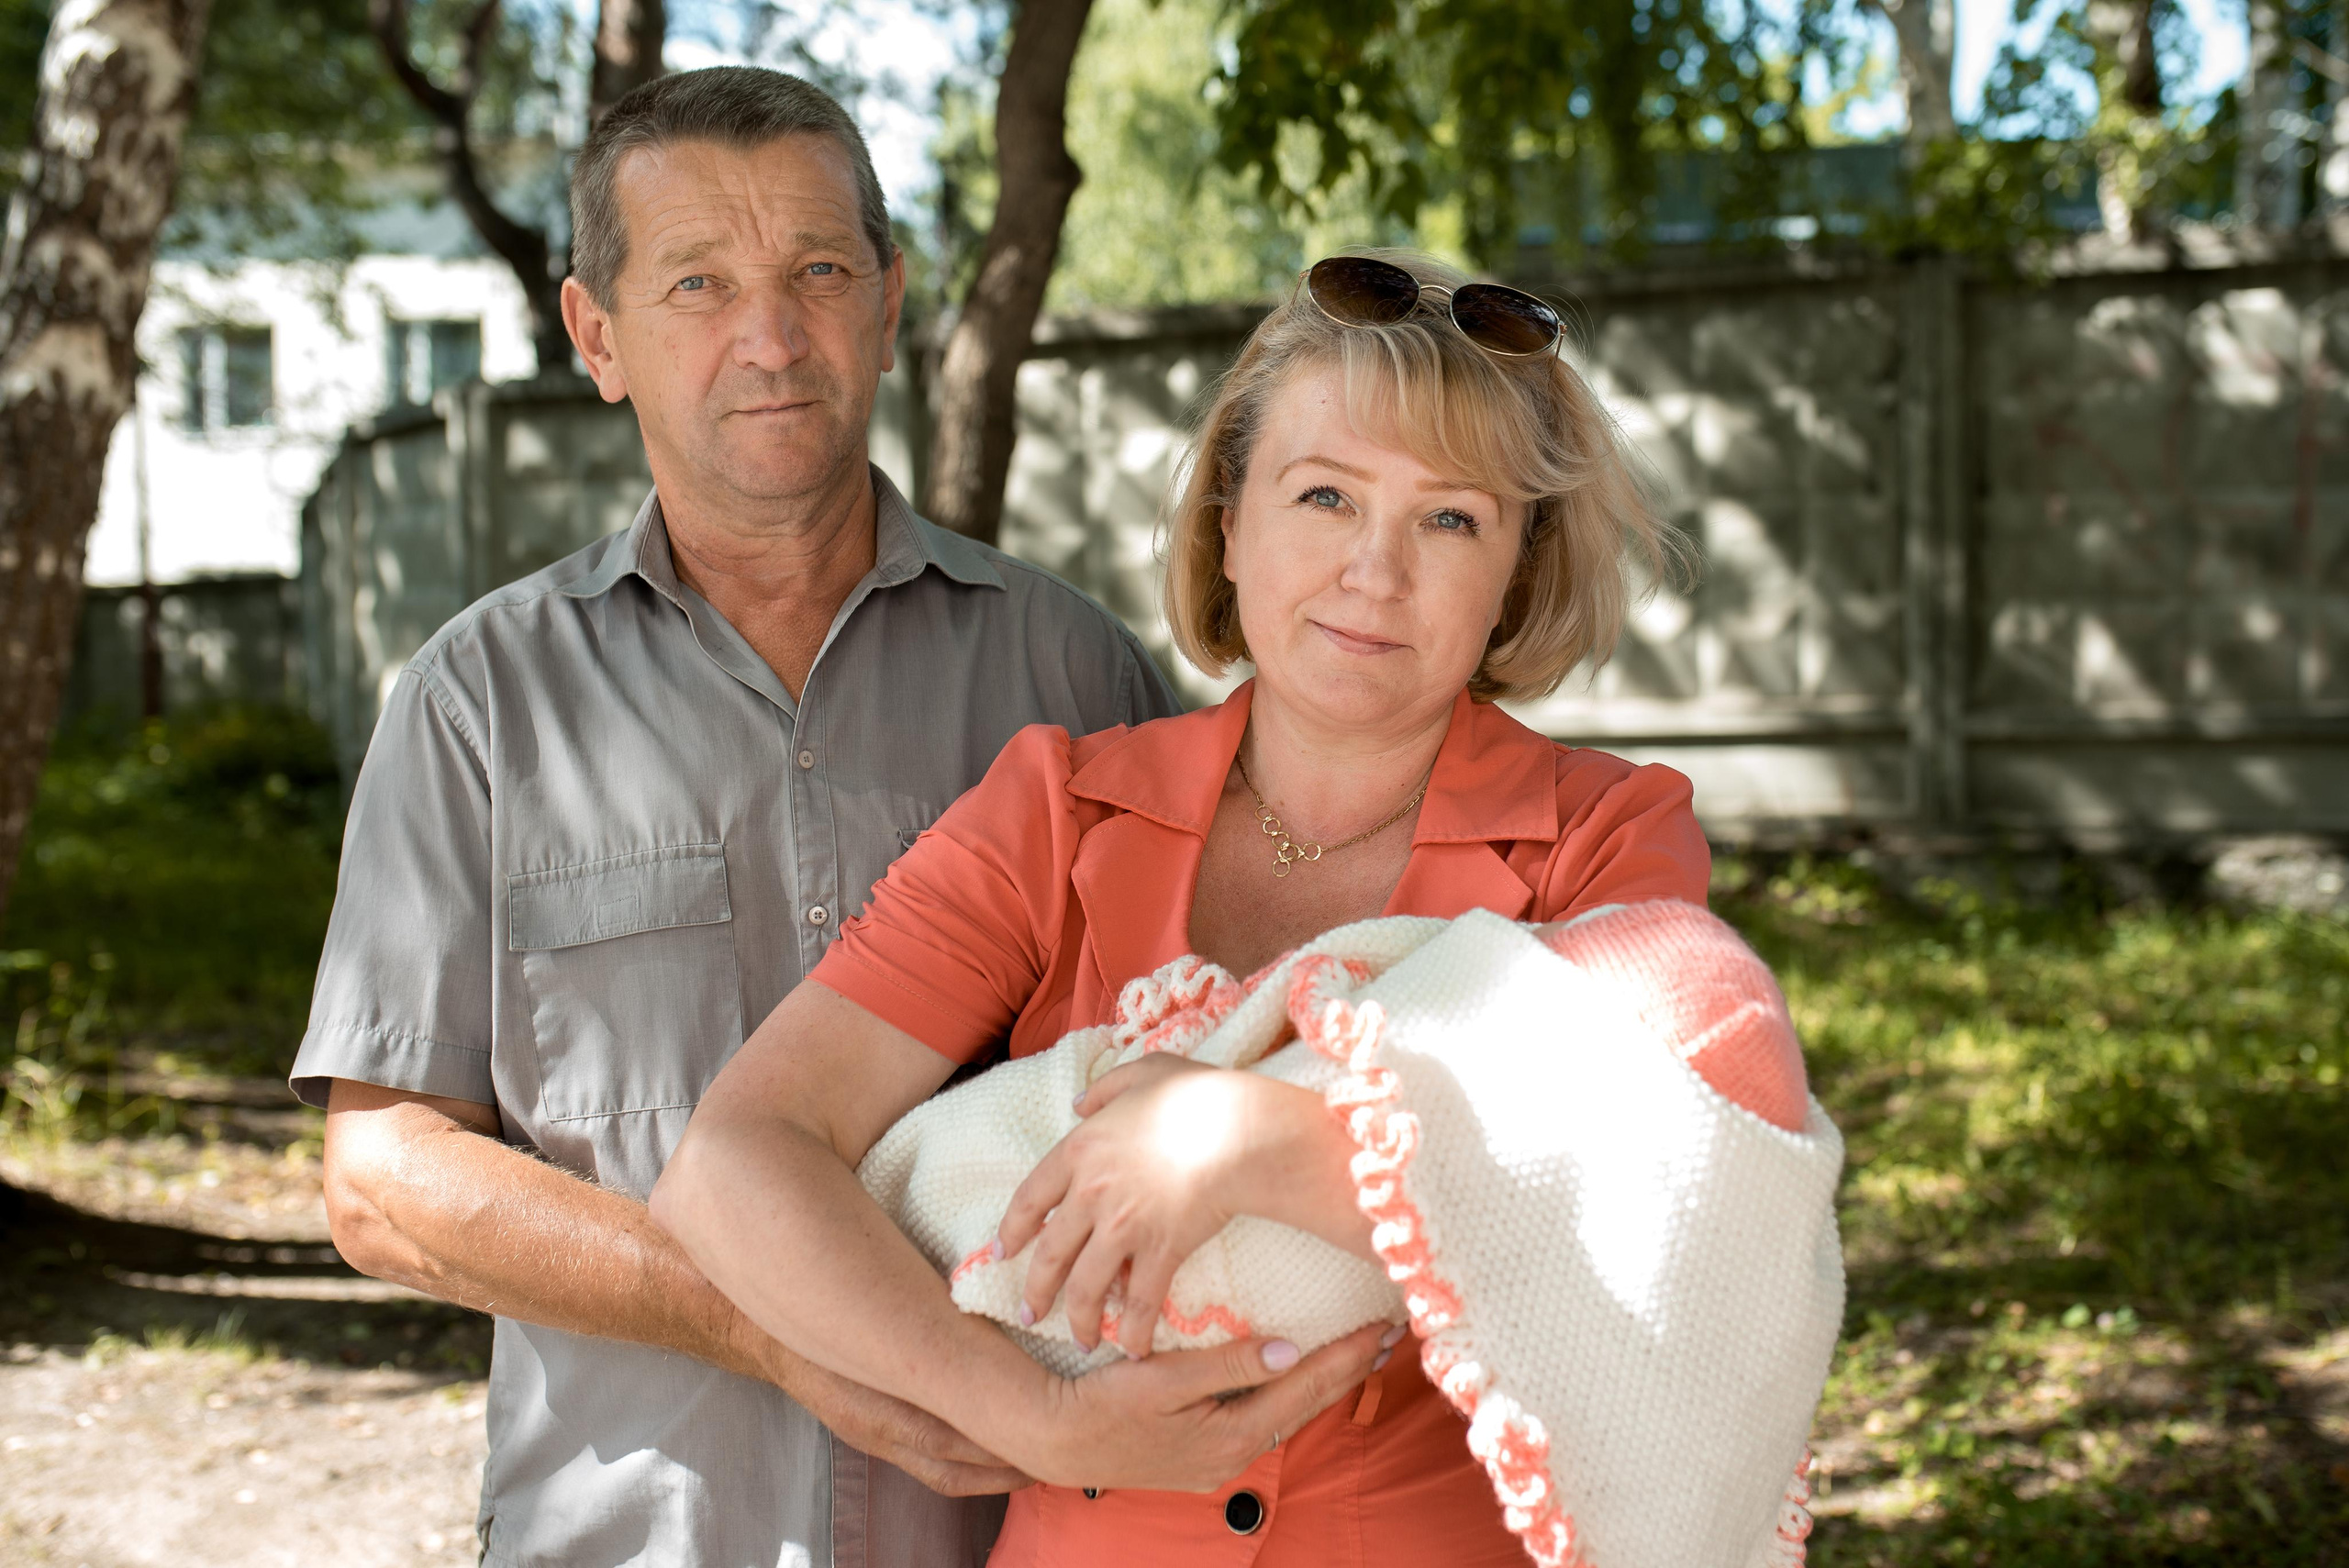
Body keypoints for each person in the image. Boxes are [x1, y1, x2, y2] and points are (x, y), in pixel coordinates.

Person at [651, 251, 1712, 1564]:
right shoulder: (1057, 809)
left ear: (1516, 569)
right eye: (1325, 495)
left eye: (1451, 519)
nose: (1375, 570)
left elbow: (1658, 1199)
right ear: (1229, 518)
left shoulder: (1608, 837)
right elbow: (735, 1161)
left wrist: (1245, 1140)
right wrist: (1029, 1413)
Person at [291, 67, 1190, 1568]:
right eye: (699, 282)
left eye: (818, 273)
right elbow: (385, 1179)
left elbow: (1210, 1066)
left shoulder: (1079, 678)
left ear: (891, 305)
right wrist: (768, 1319)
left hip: (1022, 1539)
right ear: (596, 336)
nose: (770, 338)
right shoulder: (478, 707)